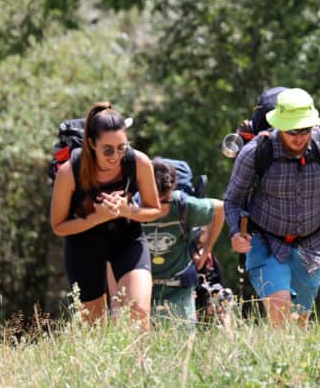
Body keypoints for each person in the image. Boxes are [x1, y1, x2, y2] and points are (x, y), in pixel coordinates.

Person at [224, 88, 320, 328]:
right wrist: (235, 232)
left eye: (305, 130)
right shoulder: (255, 152)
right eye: (292, 131)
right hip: (266, 243)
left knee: (299, 323)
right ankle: (278, 364)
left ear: (313, 127)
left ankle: (291, 363)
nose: (298, 137)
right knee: (280, 312)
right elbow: (232, 200)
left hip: (312, 247)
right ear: (279, 126)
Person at [50, 102, 162, 329]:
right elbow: (59, 226)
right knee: (95, 328)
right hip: (84, 243)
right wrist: (96, 218)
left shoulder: (138, 162)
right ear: (91, 144)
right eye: (108, 150)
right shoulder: (69, 172)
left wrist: (127, 210)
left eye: (122, 147)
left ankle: (140, 363)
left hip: (127, 239)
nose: (116, 156)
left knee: (139, 314)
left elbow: (154, 210)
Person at [140, 158, 224, 326]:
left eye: (165, 201)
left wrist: (206, 251)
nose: (160, 207)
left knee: (182, 348)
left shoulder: (181, 205)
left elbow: (220, 208)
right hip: (143, 290)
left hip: (179, 290)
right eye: (154, 200)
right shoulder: (133, 205)